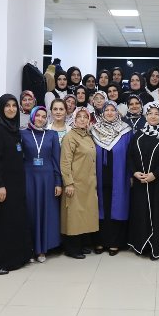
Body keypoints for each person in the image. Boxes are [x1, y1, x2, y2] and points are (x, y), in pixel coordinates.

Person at [0, 94, 33, 275]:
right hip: (2, 185)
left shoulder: (14, 129)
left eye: (14, 106)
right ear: (2, 109)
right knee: (0, 223)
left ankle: (14, 258)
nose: (11, 109)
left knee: (13, 221)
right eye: (7, 106)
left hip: (16, 184)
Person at [128, 103, 159, 259]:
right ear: (146, 116)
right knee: (141, 214)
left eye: (157, 113)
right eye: (150, 113)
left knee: (158, 215)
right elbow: (130, 155)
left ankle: (158, 247)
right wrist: (134, 172)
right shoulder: (138, 134)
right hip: (141, 183)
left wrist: (155, 174)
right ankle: (142, 245)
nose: (153, 116)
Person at [91, 101, 132, 256]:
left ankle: (115, 242)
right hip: (98, 175)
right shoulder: (94, 130)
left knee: (116, 207)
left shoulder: (126, 130)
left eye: (112, 110)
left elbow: (131, 154)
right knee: (99, 207)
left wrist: (130, 175)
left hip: (120, 175)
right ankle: (100, 241)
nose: (109, 112)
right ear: (102, 113)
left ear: (117, 113)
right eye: (106, 110)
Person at [22, 106, 62, 262]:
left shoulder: (52, 134)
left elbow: (56, 160)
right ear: (32, 117)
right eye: (37, 115)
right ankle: (30, 248)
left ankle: (42, 249)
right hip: (29, 178)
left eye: (44, 116)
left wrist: (58, 182)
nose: (40, 118)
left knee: (45, 212)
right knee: (30, 212)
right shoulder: (23, 134)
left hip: (48, 179)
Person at [60, 108, 99, 259]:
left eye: (85, 117)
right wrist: (68, 183)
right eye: (79, 117)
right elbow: (65, 162)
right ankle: (72, 249)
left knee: (84, 215)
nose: (82, 119)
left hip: (88, 183)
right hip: (75, 183)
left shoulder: (88, 136)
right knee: (74, 216)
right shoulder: (70, 137)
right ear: (74, 120)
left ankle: (82, 245)